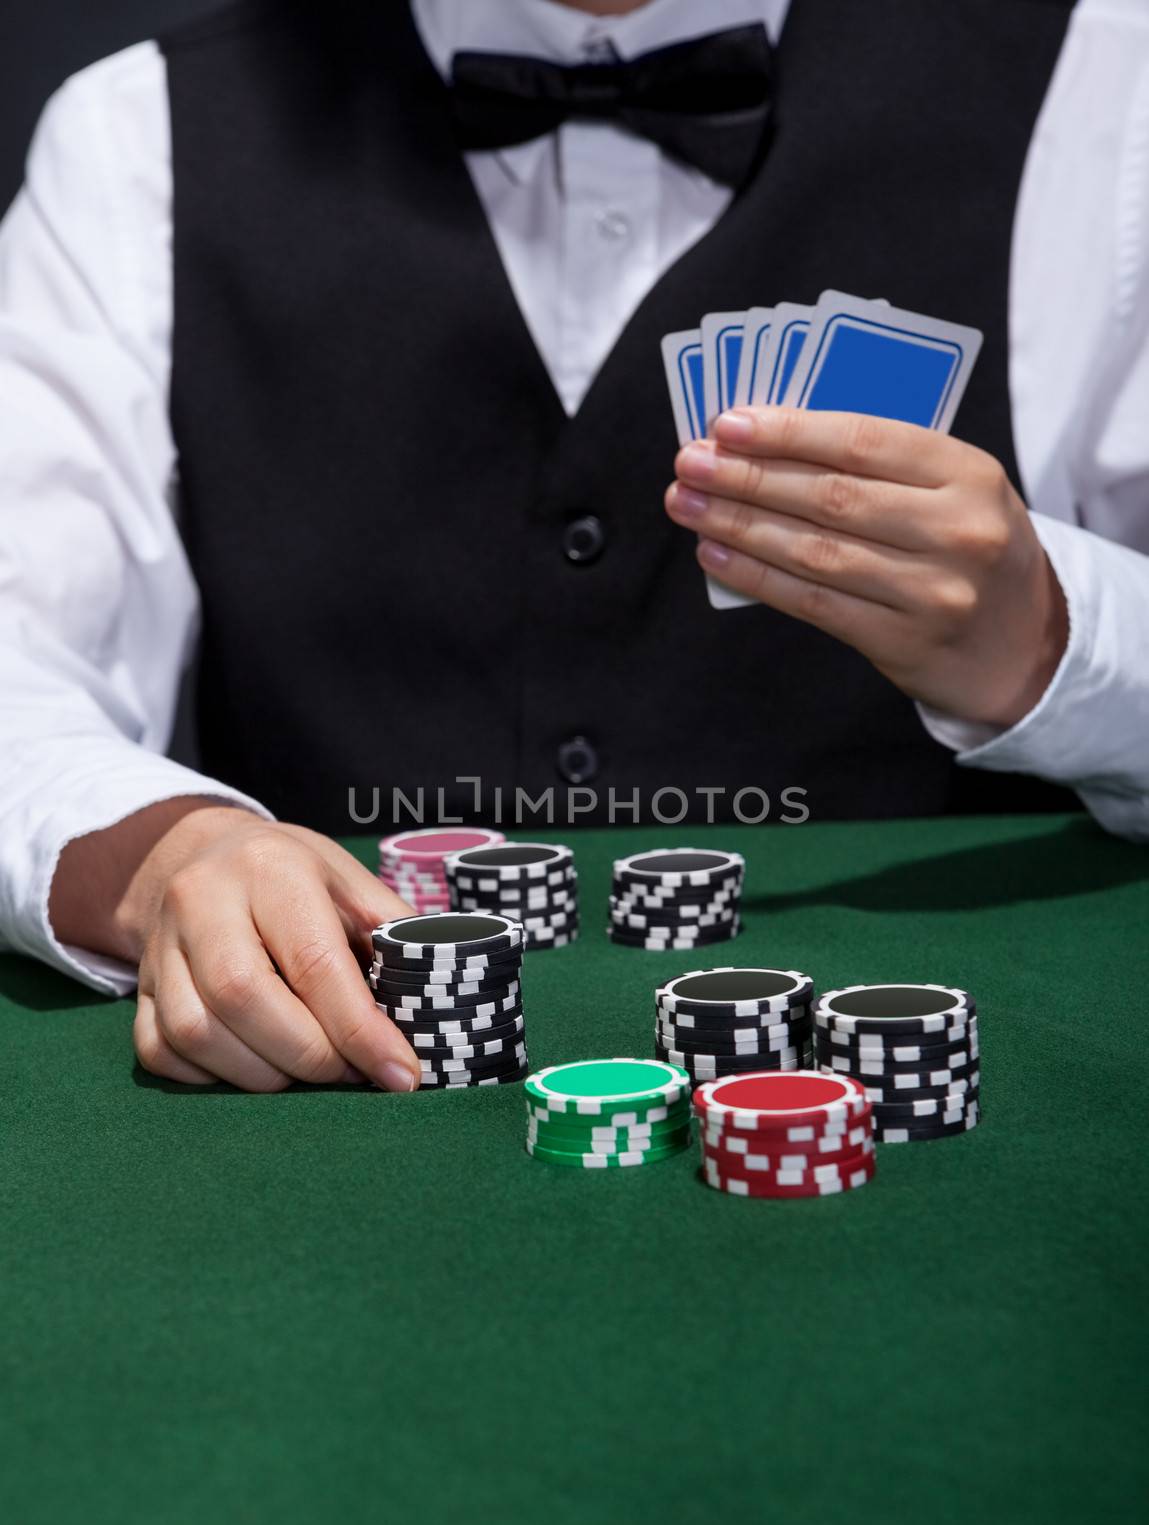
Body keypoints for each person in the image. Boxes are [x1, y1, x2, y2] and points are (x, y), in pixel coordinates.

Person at [0, 0, 1146, 1093]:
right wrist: (164, 854)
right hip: (349, 1125)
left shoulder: (1111, 95)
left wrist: (1056, 636)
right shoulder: (133, 134)